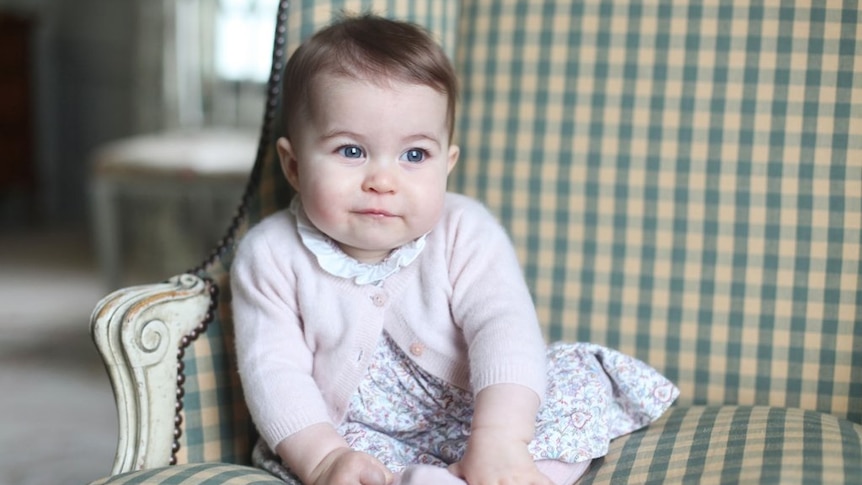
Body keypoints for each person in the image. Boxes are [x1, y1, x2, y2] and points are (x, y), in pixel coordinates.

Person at [231, 14, 678, 485]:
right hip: (354, 432)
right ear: (294, 165)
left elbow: (503, 325)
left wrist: (500, 438)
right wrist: (323, 459)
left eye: (414, 156)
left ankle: (515, 471)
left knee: (568, 383)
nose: (382, 181)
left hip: (481, 410)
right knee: (335, 462)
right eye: (351, 151)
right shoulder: (269, 255)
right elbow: (274, 373)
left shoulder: (465, 230)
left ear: (447, 165)